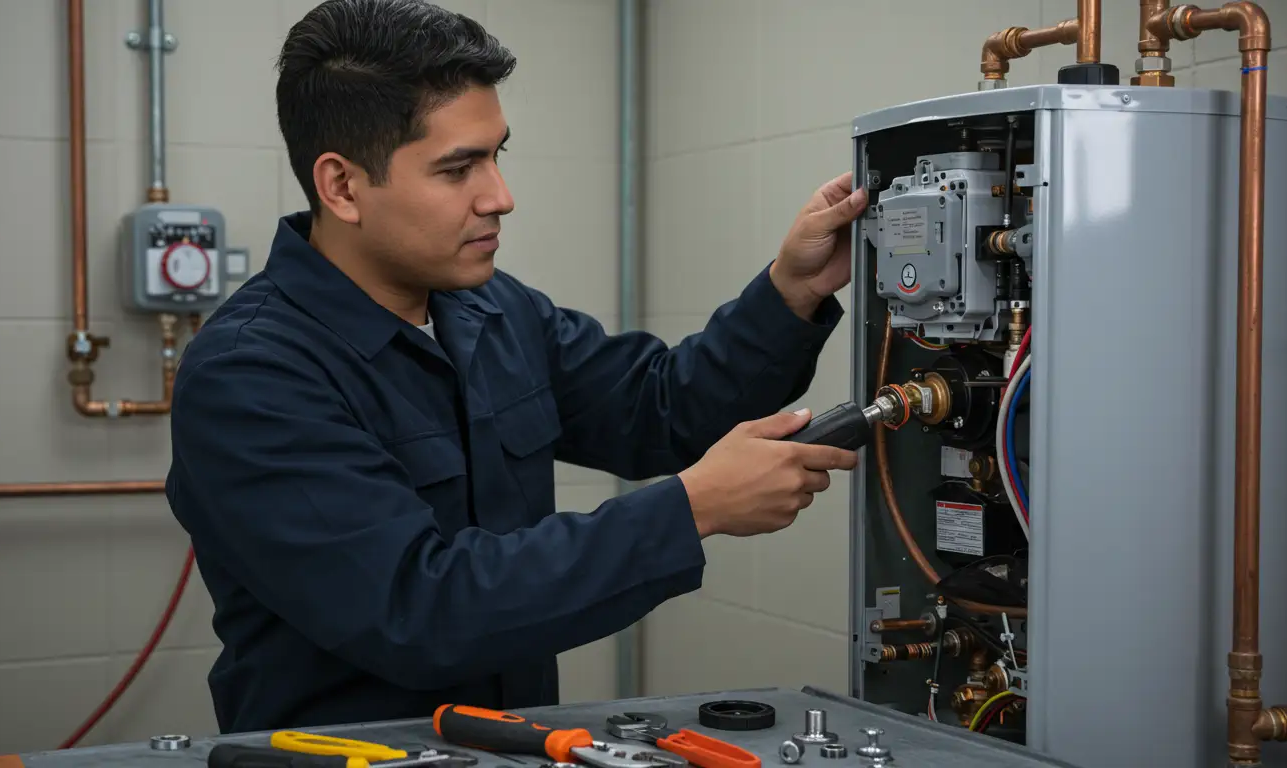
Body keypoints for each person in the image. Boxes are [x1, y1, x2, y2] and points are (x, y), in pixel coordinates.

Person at [166, 0, 869, 735]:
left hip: (515, 747)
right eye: (457, 168)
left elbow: (659, 410)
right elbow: (419, 609)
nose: (500, 196)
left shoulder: (490, 310)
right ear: (342, 186)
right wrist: (690, 510)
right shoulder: (253, 373)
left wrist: (794, 288)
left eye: (497, 154)